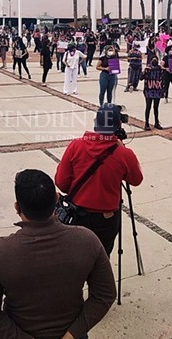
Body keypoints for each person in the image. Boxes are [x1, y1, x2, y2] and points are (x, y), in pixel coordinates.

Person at [0, 169, 116, 339]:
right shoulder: (87, 241)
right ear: (56, 199)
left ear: (17, 207)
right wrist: (72, 334)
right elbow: (105, 295)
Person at [54, 104, 144, 255]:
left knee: (76, 259)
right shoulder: (124, 154)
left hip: (77, 216)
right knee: (101, 260)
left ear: (96, 123)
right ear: (118, 125)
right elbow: (136, 180)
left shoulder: (75, 146)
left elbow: (61, 183)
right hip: (106, 220)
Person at [142, 56, 164, 130]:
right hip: (149, 90)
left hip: (157, 90)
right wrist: (144, 71)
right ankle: (146, 123)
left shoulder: (160, 69)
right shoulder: (148, 69)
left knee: (156, 107)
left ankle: (156, 122)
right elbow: (141, 78)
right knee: (148, 107)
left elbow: (164, 79)